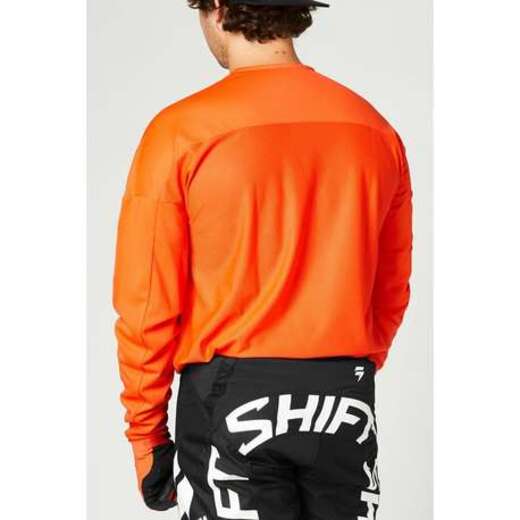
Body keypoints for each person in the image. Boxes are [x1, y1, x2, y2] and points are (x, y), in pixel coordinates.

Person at [112, 0, 413, 518]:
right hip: (342, 393)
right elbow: (391, 287)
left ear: (218, 8)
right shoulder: (374, 130)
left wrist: (146, 433)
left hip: (231, 393)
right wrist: (343, 372)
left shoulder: (181, 132)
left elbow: (146, 302)